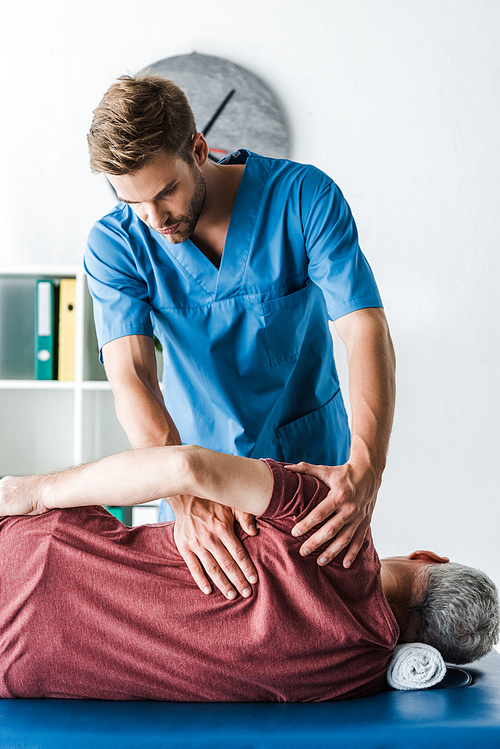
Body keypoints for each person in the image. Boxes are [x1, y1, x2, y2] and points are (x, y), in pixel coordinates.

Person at [84, 73, 397, 600]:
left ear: (200, 149)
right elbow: (132, 376)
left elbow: (364, 327)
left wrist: (366, 469)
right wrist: (184, 495)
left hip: (308, 466)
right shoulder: (116, 243)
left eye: (165, 192)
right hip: (195, 479)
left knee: (324, 628)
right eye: (132, 202)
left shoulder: (303, 198)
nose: (153, 219)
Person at [0, 447, 497, 701]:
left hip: (37, 550)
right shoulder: (357, 678)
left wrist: (38, 490)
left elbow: (186, 466)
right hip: (17, 662)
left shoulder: (334, 517)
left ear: (429, 557)